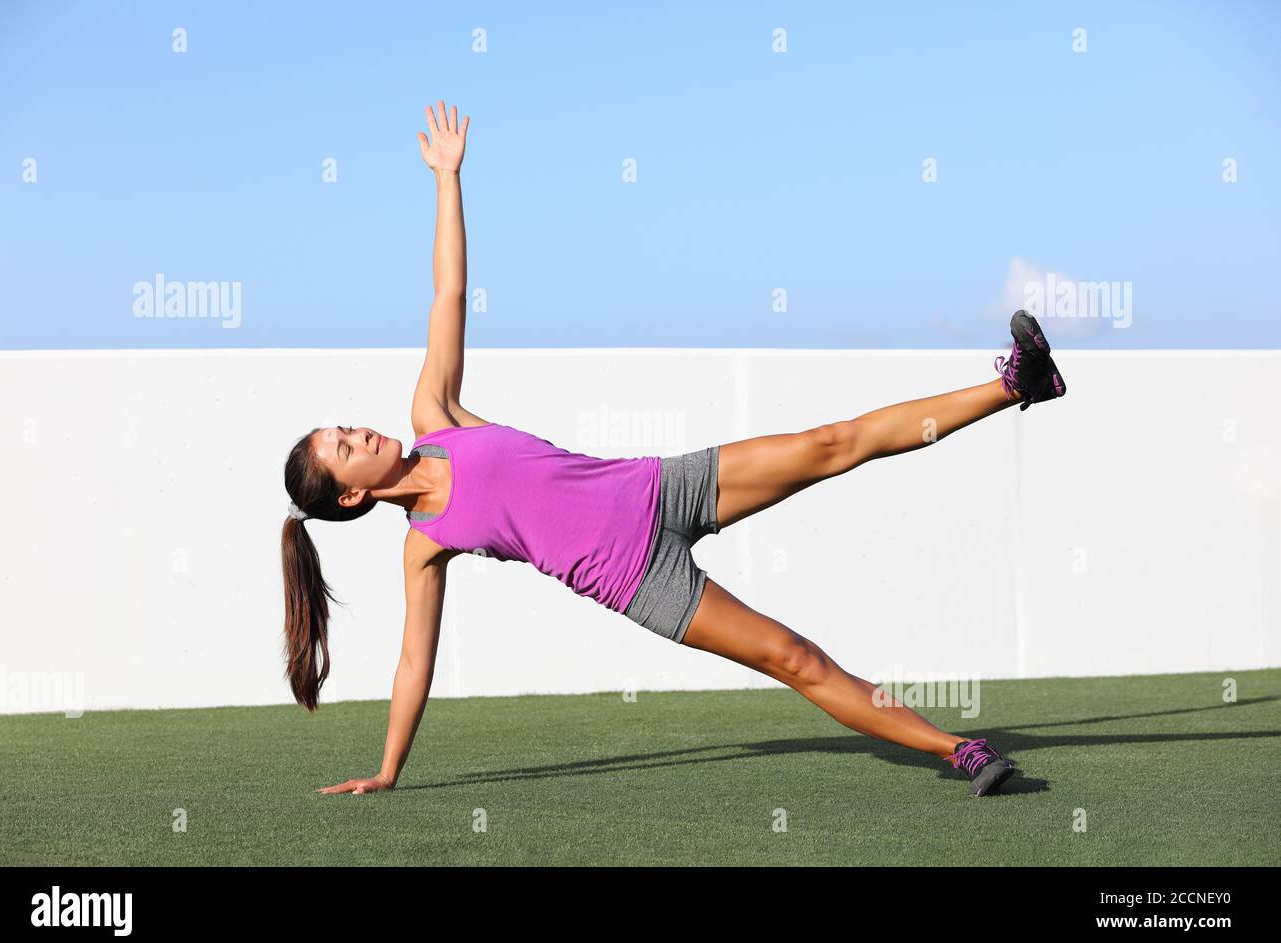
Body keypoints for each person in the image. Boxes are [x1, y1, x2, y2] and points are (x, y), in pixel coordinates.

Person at [281, 102, 1066, 798]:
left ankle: (1014, 385)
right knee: (793, 658)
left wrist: (447, 180)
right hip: (644, 581)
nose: (363, 433)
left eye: (348, 427)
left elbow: (447, 294)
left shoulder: (435, 413)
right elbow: (414, 665)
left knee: (832, 442)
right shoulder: (424, 547)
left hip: (662, 487)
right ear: (350, 495)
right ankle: (959, 750)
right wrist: (389, 770)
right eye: (347, 448)